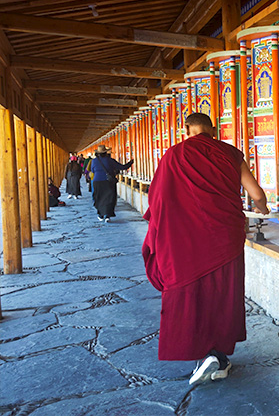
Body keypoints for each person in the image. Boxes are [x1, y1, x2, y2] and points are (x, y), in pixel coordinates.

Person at [142, 112, 268, 386]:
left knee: (193, 291)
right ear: (213, 129)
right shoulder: (231, 153)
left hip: (187, 239)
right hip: (226, 235)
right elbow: (256, 194)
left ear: (186, 129)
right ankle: (218, 356)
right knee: (224, 292)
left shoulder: (173, 155)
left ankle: (207, 355)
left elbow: (158, 199)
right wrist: (264, 210)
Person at [91, 145, 133, 222]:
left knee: (99, 198)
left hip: (97, 181)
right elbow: (122, 167)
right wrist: (131, 162)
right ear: (106, 152)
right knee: (109, 198)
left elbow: (93, 170)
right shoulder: (110, 160)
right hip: (108, 182)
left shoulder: (94, 161)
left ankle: (100, 214)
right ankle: (107, 215)